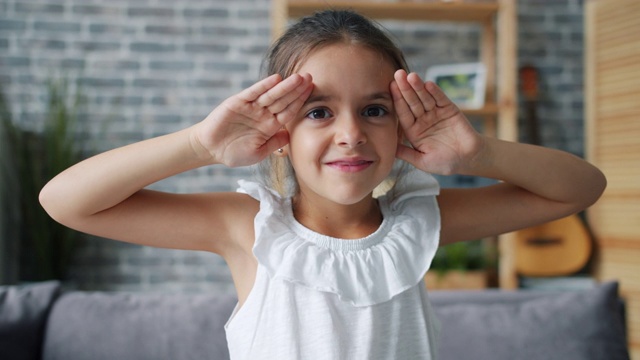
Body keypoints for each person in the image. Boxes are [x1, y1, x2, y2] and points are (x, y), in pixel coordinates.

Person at [39, 9, 606, 360]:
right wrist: (199, 146)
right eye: (318, 112)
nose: (351, 134)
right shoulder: (247, 226)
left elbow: (581, 187)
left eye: (376, 110)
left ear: (404, 120)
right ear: (278, 127)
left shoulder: (422, 221)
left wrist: (478, 151)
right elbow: (64, 202)